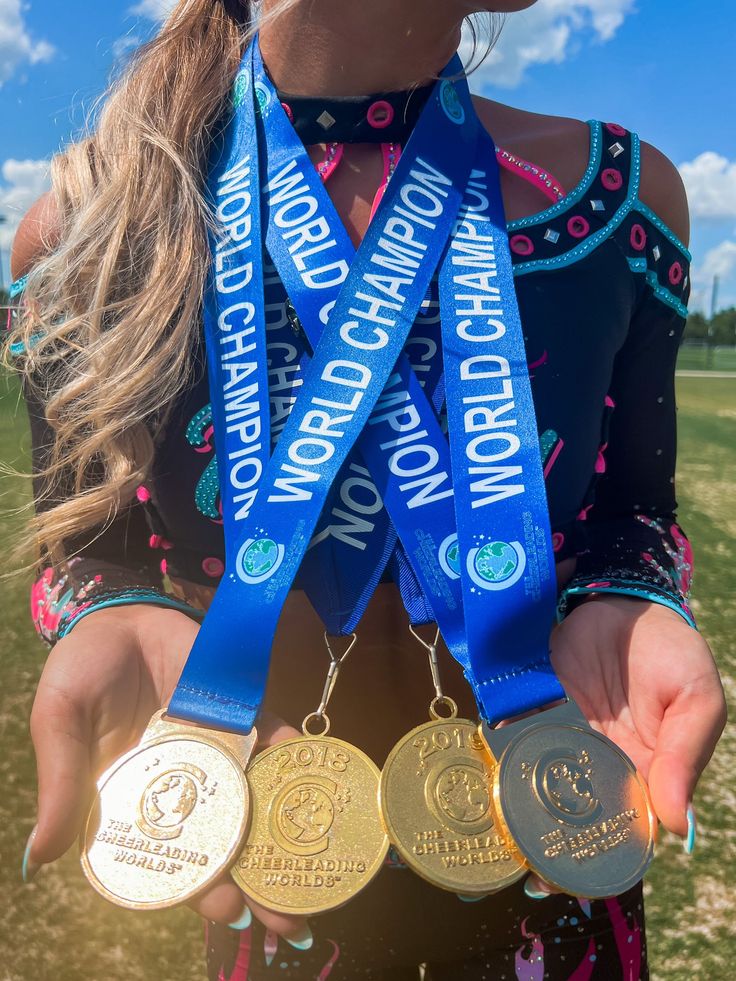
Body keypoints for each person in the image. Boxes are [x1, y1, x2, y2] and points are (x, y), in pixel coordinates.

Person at [8, 1, 727, 978]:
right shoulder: (95, 221)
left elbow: (633, 517)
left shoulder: (617, 205)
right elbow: (88, 549)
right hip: (262, 846)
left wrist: (631, 601)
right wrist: (104, 613)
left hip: (564, 827)